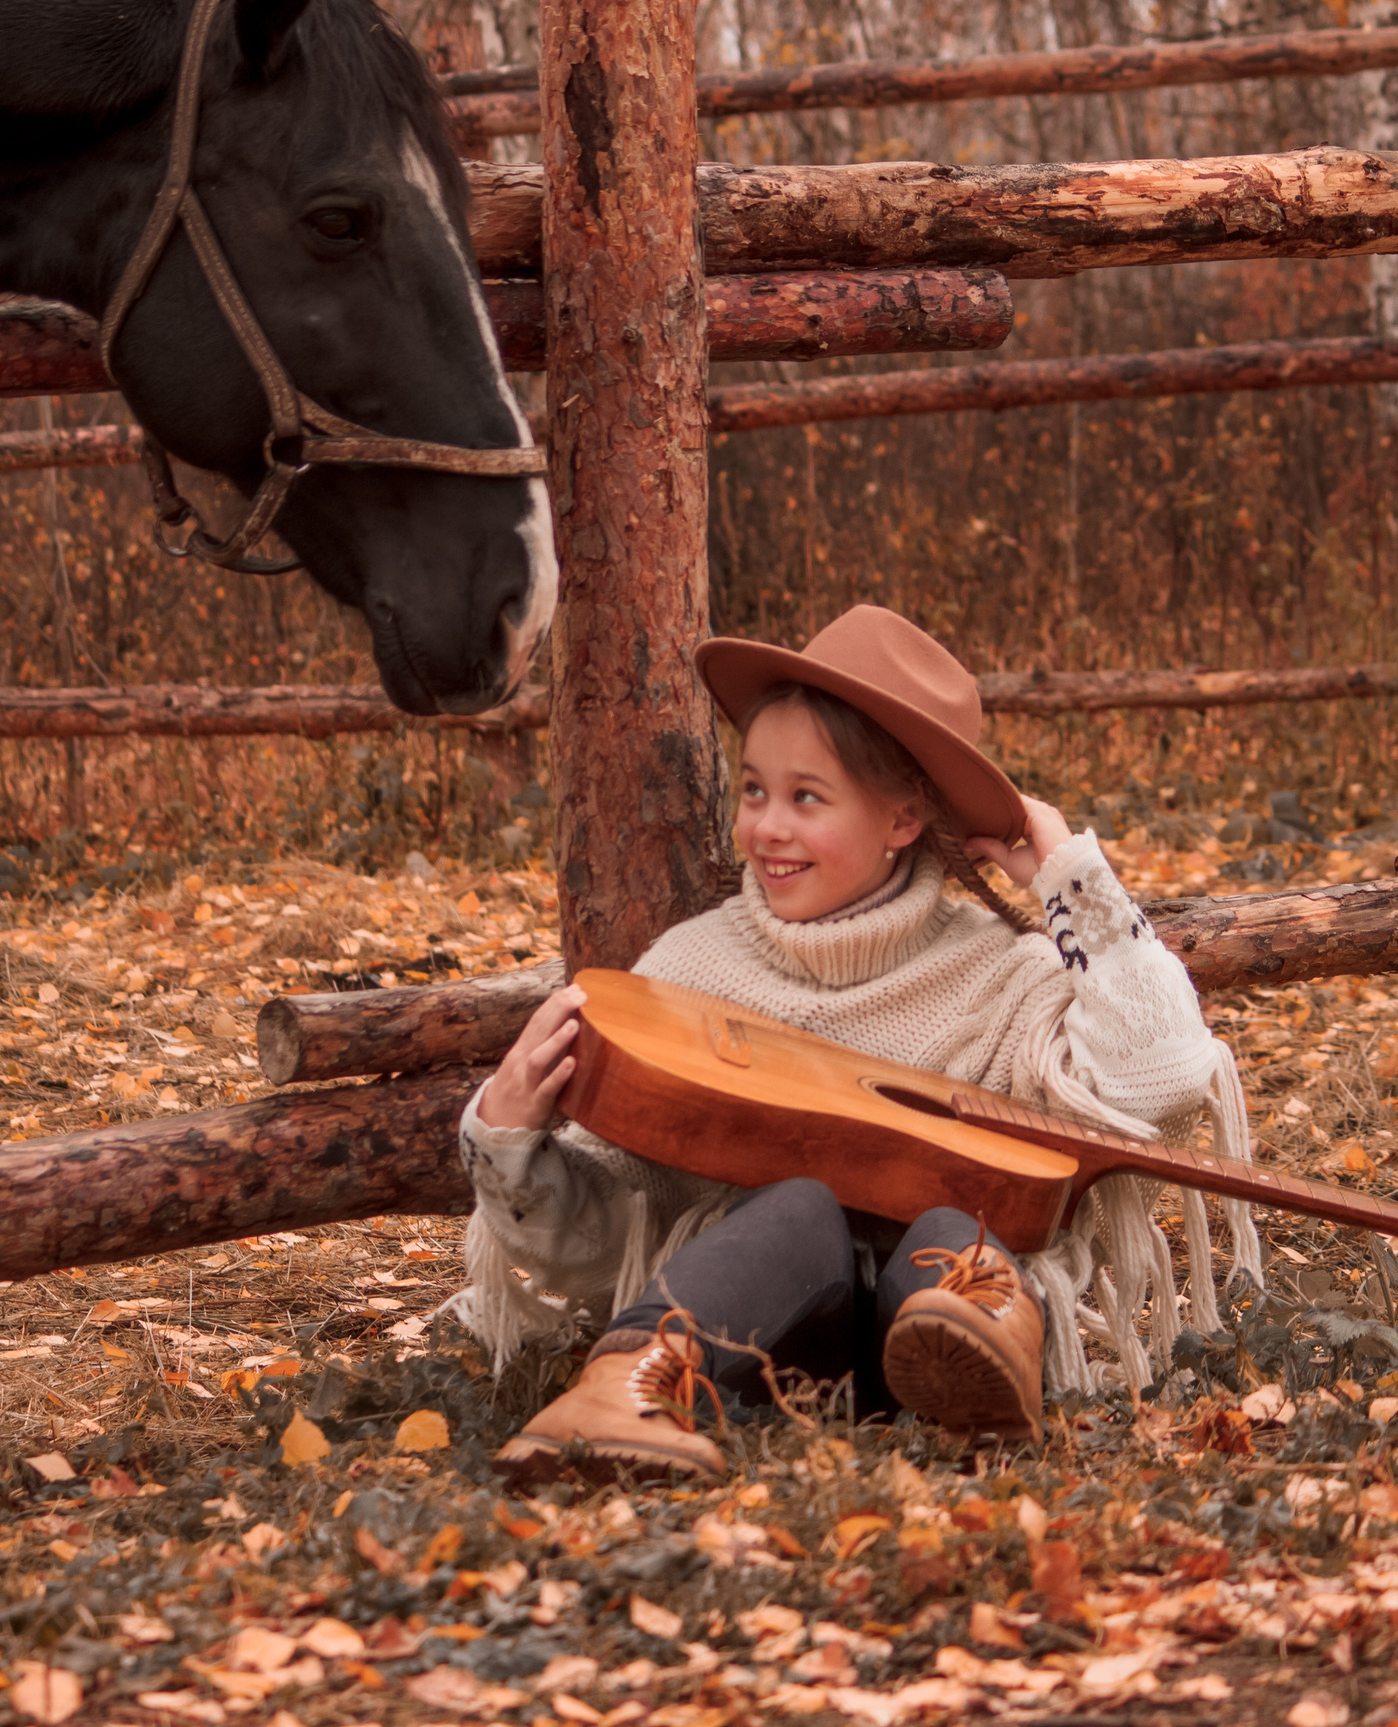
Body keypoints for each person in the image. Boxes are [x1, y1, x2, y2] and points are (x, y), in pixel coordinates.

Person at [448, 605, 1261, 1480]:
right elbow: (594, 1233)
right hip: (762, 1344)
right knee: (800, 1208)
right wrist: (508, 1138)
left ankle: (983, 1361)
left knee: (951, 1228)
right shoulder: (688, 972)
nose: (767, 827)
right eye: (754, 790)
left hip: (933, 1333)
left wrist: (1074, 881)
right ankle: (620, 1392)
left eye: (807, 797)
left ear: (903, 818)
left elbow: (1164, 1076)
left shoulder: (1000, 972)